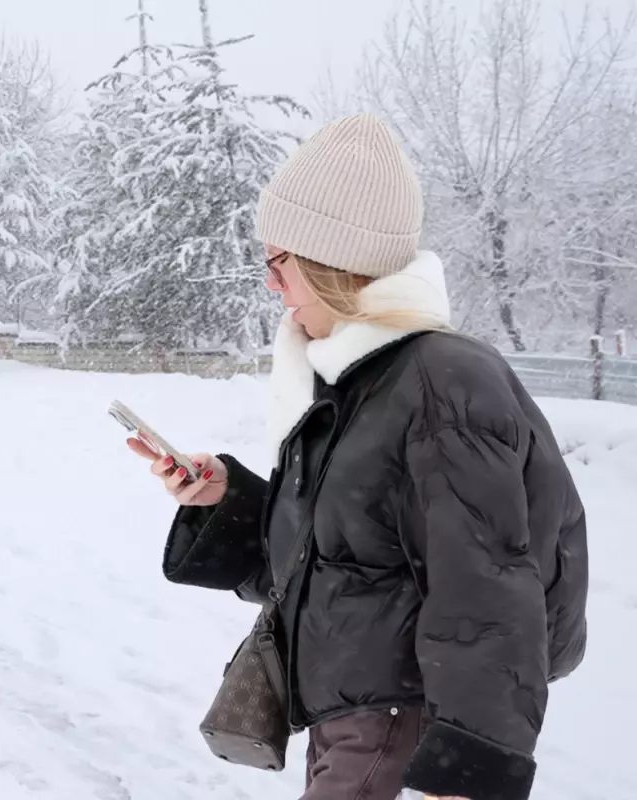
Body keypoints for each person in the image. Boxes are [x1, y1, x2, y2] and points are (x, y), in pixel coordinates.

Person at [129, 114, 588, 800]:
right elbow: (342, 561)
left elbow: (487, 586)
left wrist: (466, 770)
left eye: (278, 262)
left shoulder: (441, 383)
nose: (270, 284)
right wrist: (225, 501)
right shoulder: (357, 381)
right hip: (354, 716)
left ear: (329, 261)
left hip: (402, 725)